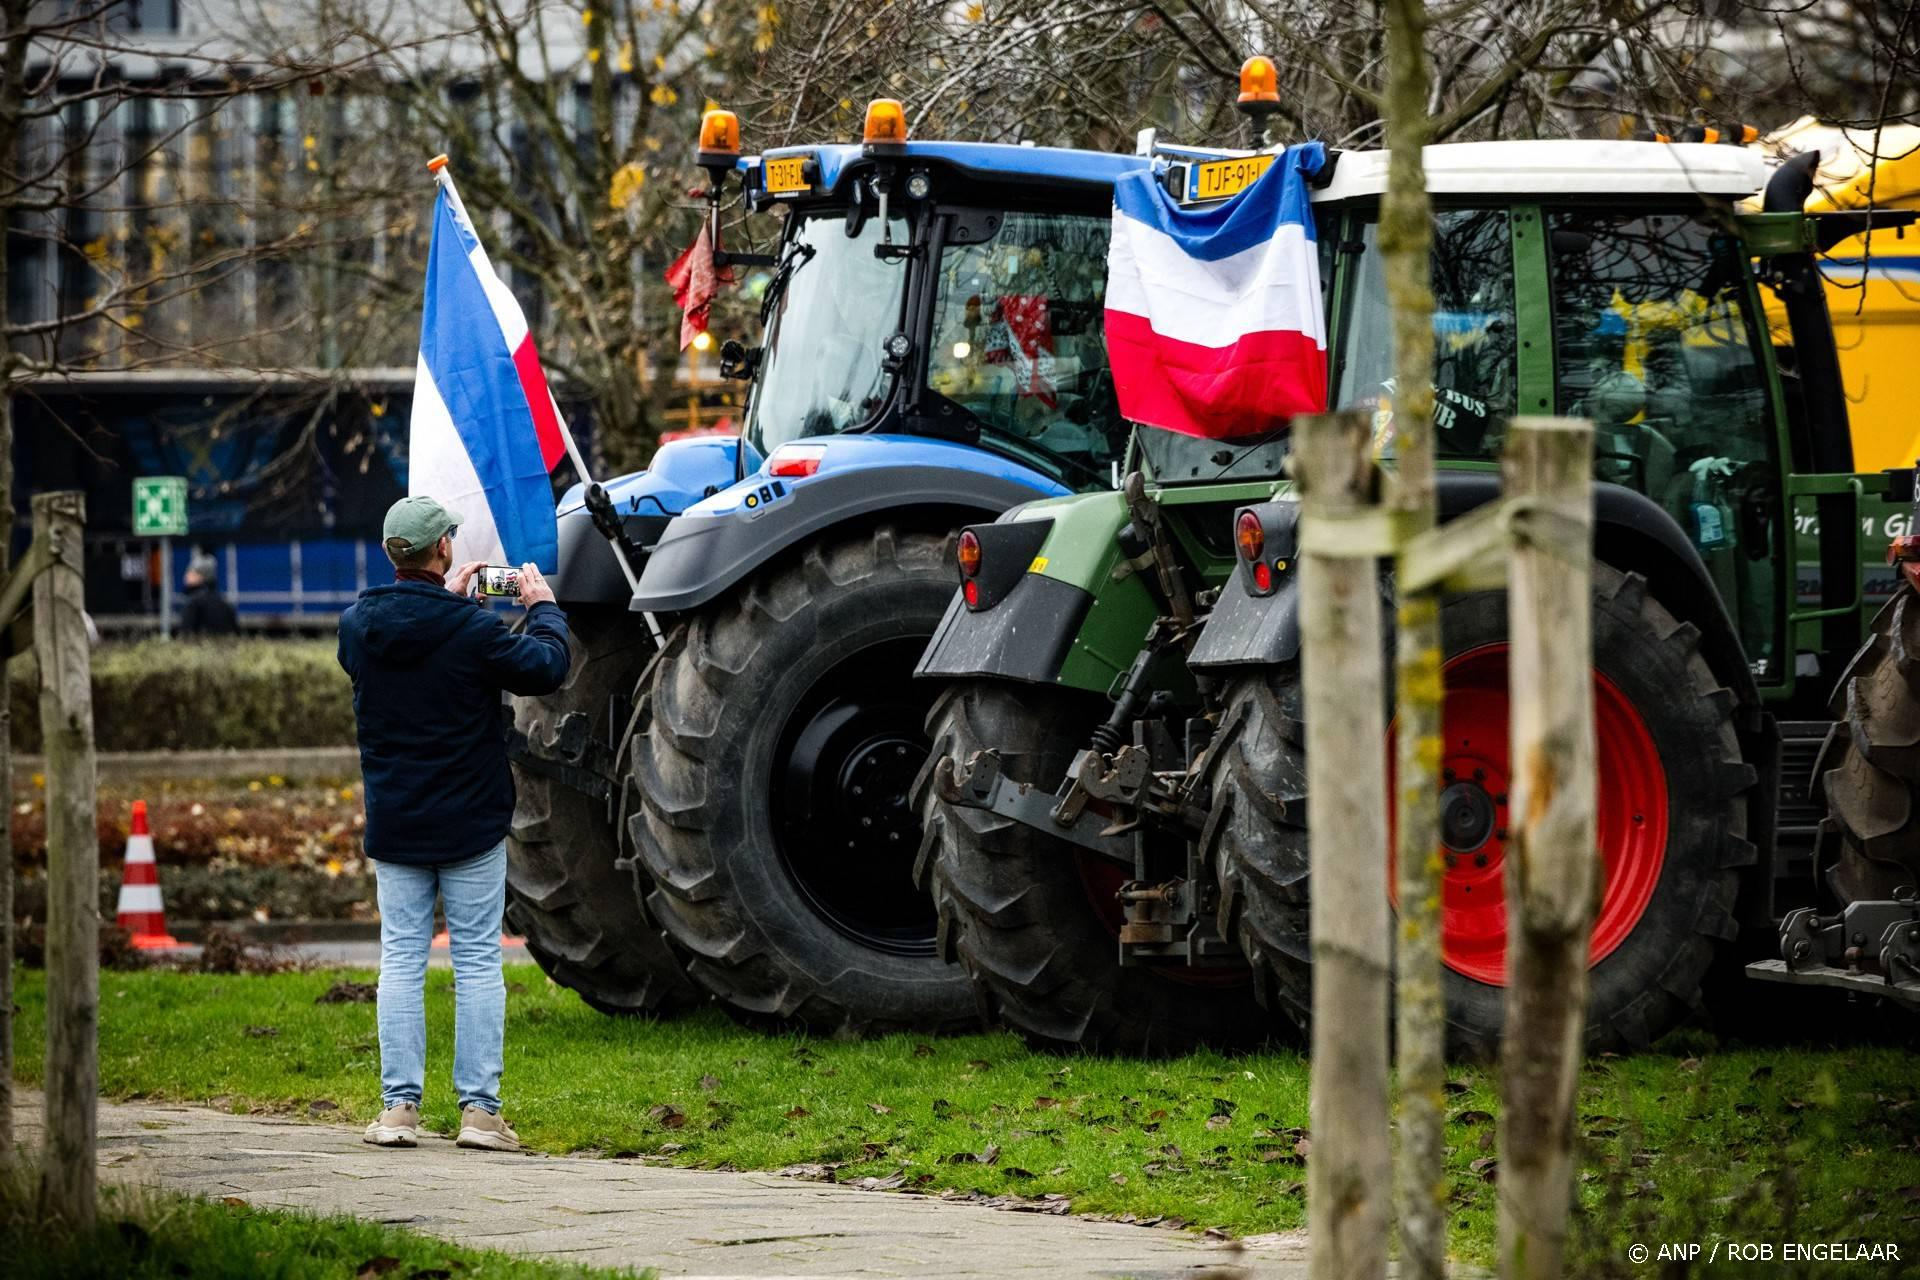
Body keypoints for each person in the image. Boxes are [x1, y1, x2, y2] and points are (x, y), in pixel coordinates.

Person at [337, 495, 569, 1152]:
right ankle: (479, 1115)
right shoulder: (473, 633)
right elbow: (547, 667)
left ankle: (398, 1111)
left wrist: (455, 611)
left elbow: (410, 653)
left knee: (401, 961)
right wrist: (542, 607)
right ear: (444, 550)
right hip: (470, 820)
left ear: (391, 555)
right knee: (475, 962)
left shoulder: (357, 627)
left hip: (397, 821)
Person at [179, 550, 239, 637]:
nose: (186, 576)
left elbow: (187, 634)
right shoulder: (224, 602)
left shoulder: (193, 602)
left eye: (191, 573)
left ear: (201, 576)